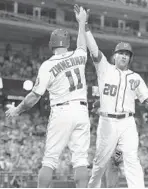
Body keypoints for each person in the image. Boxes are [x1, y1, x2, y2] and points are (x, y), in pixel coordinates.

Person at [75, 5, 148, 188]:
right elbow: (93, 49)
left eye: (127, 54)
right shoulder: (104, 68)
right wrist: (84, 24)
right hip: (107, 124)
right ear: (114, 56)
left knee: (131, 159)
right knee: (101, 163)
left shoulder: (135, 77)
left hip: (127, 123)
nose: (124, 57)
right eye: (121, 53)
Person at [5, 6, 90, 188]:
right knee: (81, 160)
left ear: (51, 44)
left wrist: (17, 109)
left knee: (50, 159)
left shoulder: (48, 65)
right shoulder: (79, 55)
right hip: (82, 110)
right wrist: (81, 22)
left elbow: (34, 96)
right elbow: (83, 45)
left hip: (62, 110)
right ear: (67, 43)